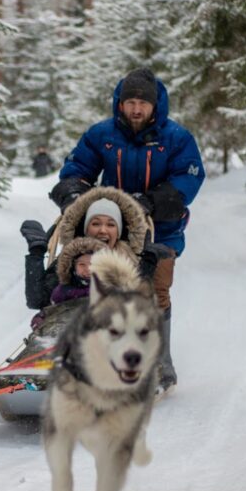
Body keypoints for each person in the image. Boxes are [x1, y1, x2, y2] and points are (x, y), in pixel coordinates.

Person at [47, 67, 206, 395]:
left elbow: (186, 180)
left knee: (154, 291)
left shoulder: (176, 139)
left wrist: (151, 201)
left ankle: (160, 363)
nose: (136, 109)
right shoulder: (101, 134)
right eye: (130, 102)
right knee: (88, 284)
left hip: (160, 229)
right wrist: (75, 196)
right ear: (120, 104)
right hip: (111, 226)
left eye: (142, 103)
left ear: (154, 106)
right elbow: (77, 169)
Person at [21, 188, 148, 311]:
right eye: (96, 224)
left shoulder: (130, 261)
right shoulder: (71, 258)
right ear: (86, 229)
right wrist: (36, 254)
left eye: (111, 224)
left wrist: (149, 266)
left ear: (118, 232)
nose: (103, 230)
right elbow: (37, 300)